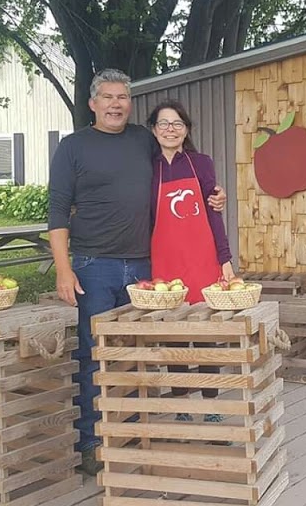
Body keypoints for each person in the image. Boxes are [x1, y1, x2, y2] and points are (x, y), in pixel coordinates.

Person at [47, 69, 226, 475]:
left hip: (145, 269)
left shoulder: (144, 141)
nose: (115, 104)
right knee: (94, 354)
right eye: (107, 97)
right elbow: (57, 209)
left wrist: (214, 194)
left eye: (122, 98)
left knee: (137, 353)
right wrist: (62, 268)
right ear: (92, 104)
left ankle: (130, 429)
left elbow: (183, 169)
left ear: (130, 104)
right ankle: (93, 441)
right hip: (94, 266)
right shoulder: (73, 147)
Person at [147, 100, 236, 425]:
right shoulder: (147, 166)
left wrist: (224, 259)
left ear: (186, 130)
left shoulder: (201, 163)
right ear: (154, 130)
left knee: (205, 332)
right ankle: (182, 402)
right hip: (164, 263)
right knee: (174, 334)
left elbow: (215, 214)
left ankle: (211, 402)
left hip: (202, 259)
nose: (170, 129)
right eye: (163, 123)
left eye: (177, 123)